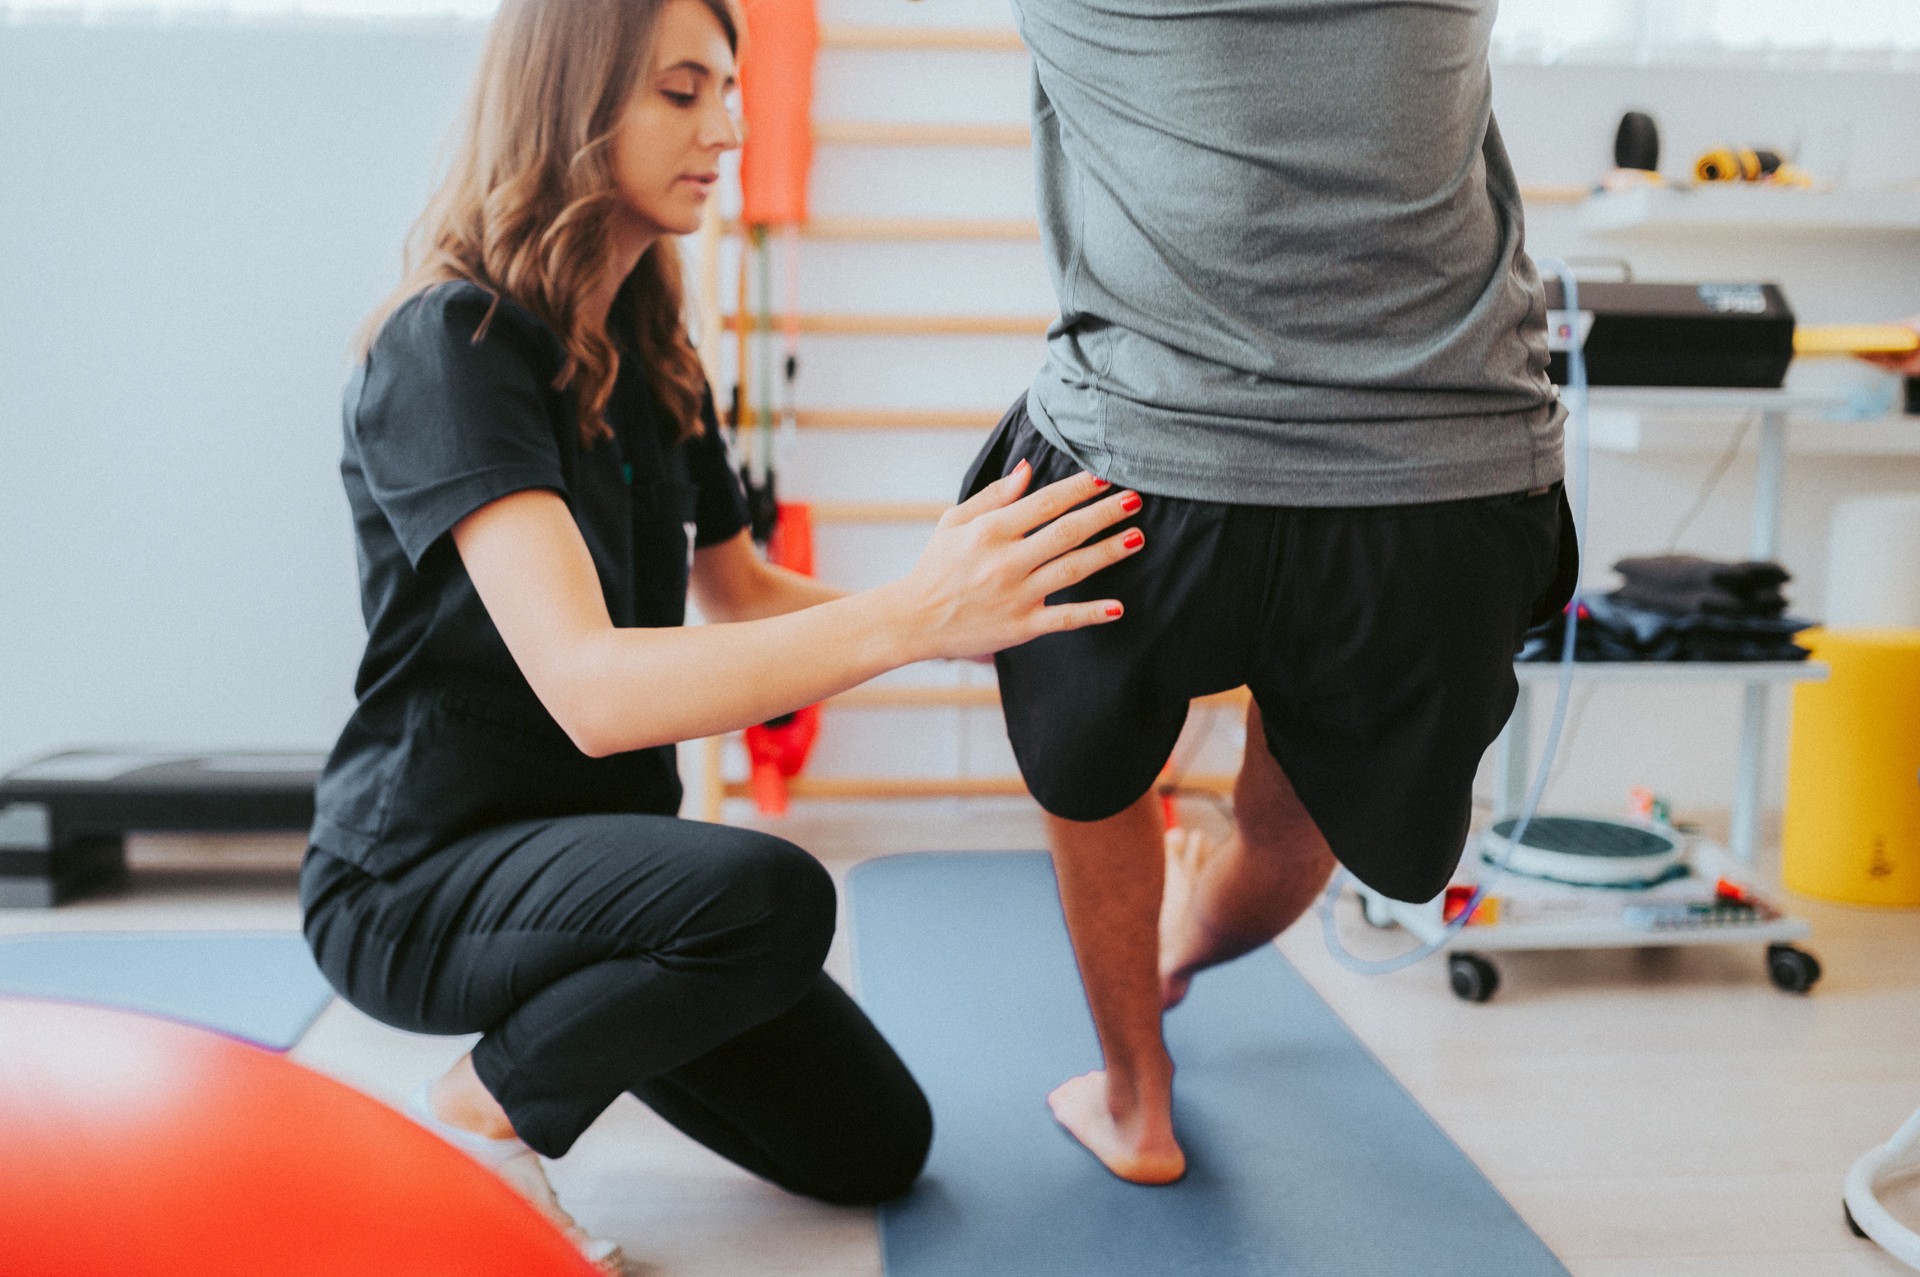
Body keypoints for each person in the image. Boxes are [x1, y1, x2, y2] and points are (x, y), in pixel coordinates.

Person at [300, 0, 1146, 1267]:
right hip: (415, 879)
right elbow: (591, 687)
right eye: (682, 92)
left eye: (729, 91)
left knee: (873, 1143)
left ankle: (571, 1025)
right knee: (769, 898)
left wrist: (984, 628)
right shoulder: (452, 343)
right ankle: (483, 1113)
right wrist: (912, 611)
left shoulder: (651, 346)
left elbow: (741, 592)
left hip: (593, 870)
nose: (731, 128)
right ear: (573, 102)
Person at [961, 0, 1580, 1184]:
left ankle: (1138, 1103)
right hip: (1437, 481)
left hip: (1141, 466)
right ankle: (1189, 940)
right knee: (1302, 810)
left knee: (1097, 786)